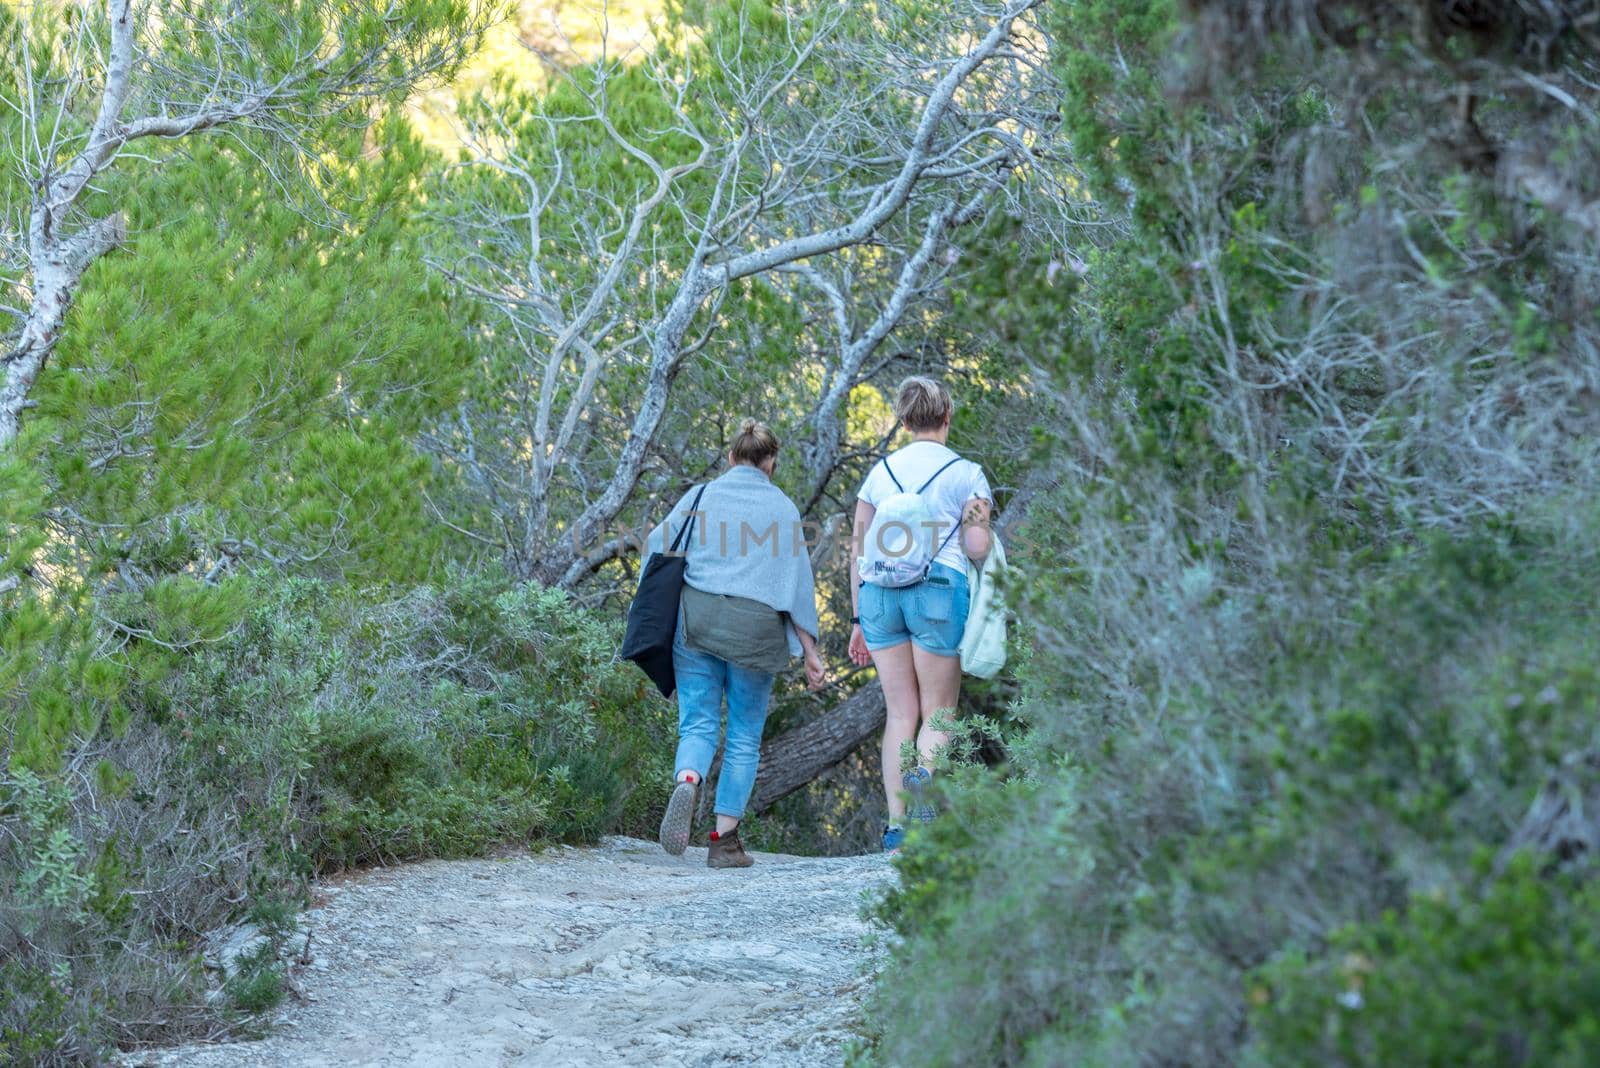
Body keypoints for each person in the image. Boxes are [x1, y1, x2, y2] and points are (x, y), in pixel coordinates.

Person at [647, 420, 827, 868]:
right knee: (744, 736)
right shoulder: (783, 509)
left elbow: (656, 546)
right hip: (756, 631)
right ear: (771, 463)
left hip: (699, 621)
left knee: (699, 723)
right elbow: (797, 587)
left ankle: (688, 778)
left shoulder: (702, 496)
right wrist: (811, 653)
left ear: (731, 458)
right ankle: (723, 841)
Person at [849, 377, 992, 853]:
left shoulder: (879, 474)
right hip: (936, 591)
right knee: (940, 710)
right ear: (947, 417)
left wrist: (856, 621)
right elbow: (976, 547)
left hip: (879, 596)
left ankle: (895, 828)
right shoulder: (968, 474)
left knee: (900, 712)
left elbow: (859, 550)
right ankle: (924, 776)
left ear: (905, 420)